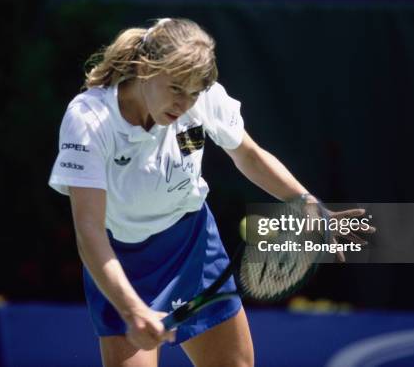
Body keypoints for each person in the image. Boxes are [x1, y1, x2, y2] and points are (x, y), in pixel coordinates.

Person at [48, 18, 369, 367]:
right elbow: (89, 231)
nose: (184, 103)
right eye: (175, 89)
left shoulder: (203, 98)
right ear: (144, 68)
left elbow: (247, 153)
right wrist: (132, 308)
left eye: (194, 93)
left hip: (193, 246)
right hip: (121, 261)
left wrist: (303, 199)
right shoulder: (90, 119)